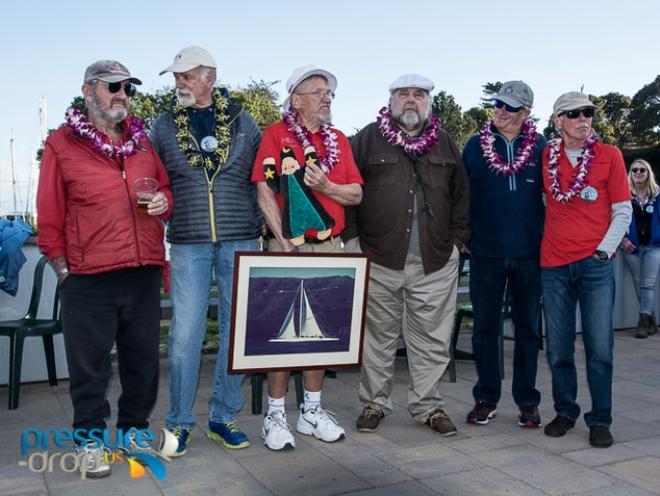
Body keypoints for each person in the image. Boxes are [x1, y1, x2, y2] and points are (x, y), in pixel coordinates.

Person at [36, 60, 172, 477]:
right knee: (89, 367)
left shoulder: (143, 142)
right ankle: (90, 441)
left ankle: (133, 432)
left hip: (143, 269)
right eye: (113, 86)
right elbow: (49, 213)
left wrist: (166, 201)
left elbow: (164, 188)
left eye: (127, 88)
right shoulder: (62, 143)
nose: (122, 94)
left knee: (143, 363)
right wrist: (64, 271)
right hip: (88, 276)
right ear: (88, 90)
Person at [150, 46, 263, 454]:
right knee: (184, 334)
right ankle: (179, 422)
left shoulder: (244, 120)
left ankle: (223, 416)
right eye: (176, 76)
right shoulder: (161, 126)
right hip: (188, 241)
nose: (179, 82)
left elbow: (262, 180)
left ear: (209, 77)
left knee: (238, 331)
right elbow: (155, 181)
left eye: (186, 75)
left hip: (241, 238)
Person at [344, 74, 469, 436]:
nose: (411, 100)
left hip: (433, 260)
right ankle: (374, 403)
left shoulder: (444, 142)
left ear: (429, 102)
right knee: (376, 337)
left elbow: (461, 195)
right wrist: (352, 240)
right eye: (403, 94)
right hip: (380, 258)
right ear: (391, 101)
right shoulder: (367, 138)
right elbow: (348, 189)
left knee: (431, 339)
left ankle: (429, 406)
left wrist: (458, 242)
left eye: (419, 95)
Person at [252, 65, 363, 451]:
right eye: (318, 92)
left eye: (329, 92)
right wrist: (282, 240)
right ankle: (276, 415)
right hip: (287, 246)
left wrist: (328, 185)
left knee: (322, 333)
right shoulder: (275, 134)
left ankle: (312, 412)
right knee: (282, 335)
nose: (327, 97)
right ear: (296, 100)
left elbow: (356, 195)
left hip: (331, 245)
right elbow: (264, 191)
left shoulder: (339, 140)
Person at [541, 91, 632, 448]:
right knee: (559, 348)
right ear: (558, 121)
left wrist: (602, 252)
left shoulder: (610, 156)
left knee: (600, 349)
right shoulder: (547, 156)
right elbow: (545, 200)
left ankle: (600, 419)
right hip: (553, 266)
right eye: (574, 113)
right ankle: (565, 411)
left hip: (594, 267)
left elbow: (622, 210)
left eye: (588, 112)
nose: (584, 119)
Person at [461, 81, 546, 428]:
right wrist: (462, 233)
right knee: (485, 328)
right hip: (485, 252)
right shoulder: (474, 147)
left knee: (528, 330)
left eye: (509, 107)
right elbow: (459, 195)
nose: (500, 111)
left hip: (530, 253)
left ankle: (527, 400)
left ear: (525, 112)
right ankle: (486, 398)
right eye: (497, 104)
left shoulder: (540, 147)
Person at [620, 159, 660, 338]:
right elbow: (615, 219)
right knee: (639, 284)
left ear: (648, 173)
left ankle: (643, 323)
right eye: (634, 170)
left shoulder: (657, 195)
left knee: (647, 284)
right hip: (632, 247)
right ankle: (651, 319)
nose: (638, 173)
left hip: (654, 246)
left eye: (642, 170)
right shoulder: (623, 194)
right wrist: (623, 240)